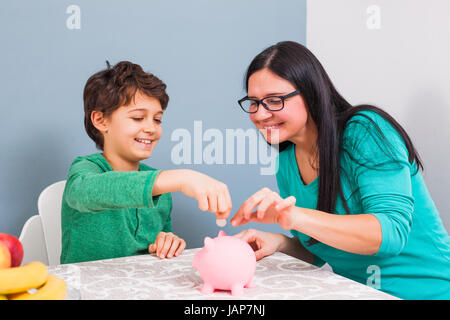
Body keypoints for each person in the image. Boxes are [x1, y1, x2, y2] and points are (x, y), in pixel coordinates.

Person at [231, 41, 450, 299]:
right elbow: (322, 247)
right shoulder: (288, 161)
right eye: (253, 102)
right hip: (355, 292)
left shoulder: (365, 131)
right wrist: (279, 242)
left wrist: (294, 216)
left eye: (274, 100)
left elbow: (390, 234)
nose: (261, 114)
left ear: (311, 92)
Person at [60, 61, 232, 264]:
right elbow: (85, 193)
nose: (151, 128)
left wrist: (167, 241)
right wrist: (182, 177)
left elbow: (159, 242)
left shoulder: (161, 188)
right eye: (138, 118)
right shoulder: (85, 170)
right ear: (100, 120)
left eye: (157, 120)